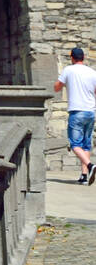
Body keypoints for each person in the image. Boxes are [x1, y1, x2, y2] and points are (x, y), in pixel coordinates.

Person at [55, 46, 96, 184]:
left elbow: (57, 87)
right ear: (83, 58)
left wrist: (65, 84)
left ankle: (90, 166)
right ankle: (85, 176)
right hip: (90, 112)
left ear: (72, 58)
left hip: (77, 111)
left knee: (75, 144)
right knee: (86, 145)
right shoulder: (92, 72)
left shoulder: (68, 70)